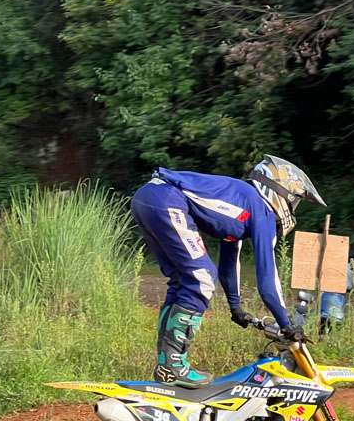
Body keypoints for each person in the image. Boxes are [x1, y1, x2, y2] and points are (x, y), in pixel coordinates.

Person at [130, 155, 326, 388]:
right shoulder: (262, 209)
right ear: (283, 192)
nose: (293, 209)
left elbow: (229, 265)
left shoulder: (244, 202)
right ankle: (173, 366)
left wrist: (236, 307)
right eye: (295, 201)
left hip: (148, 196)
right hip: (168, 199)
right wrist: (286, 324)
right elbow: (268, 281)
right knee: (202, 277)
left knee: (182, 280)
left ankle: (167, 365)